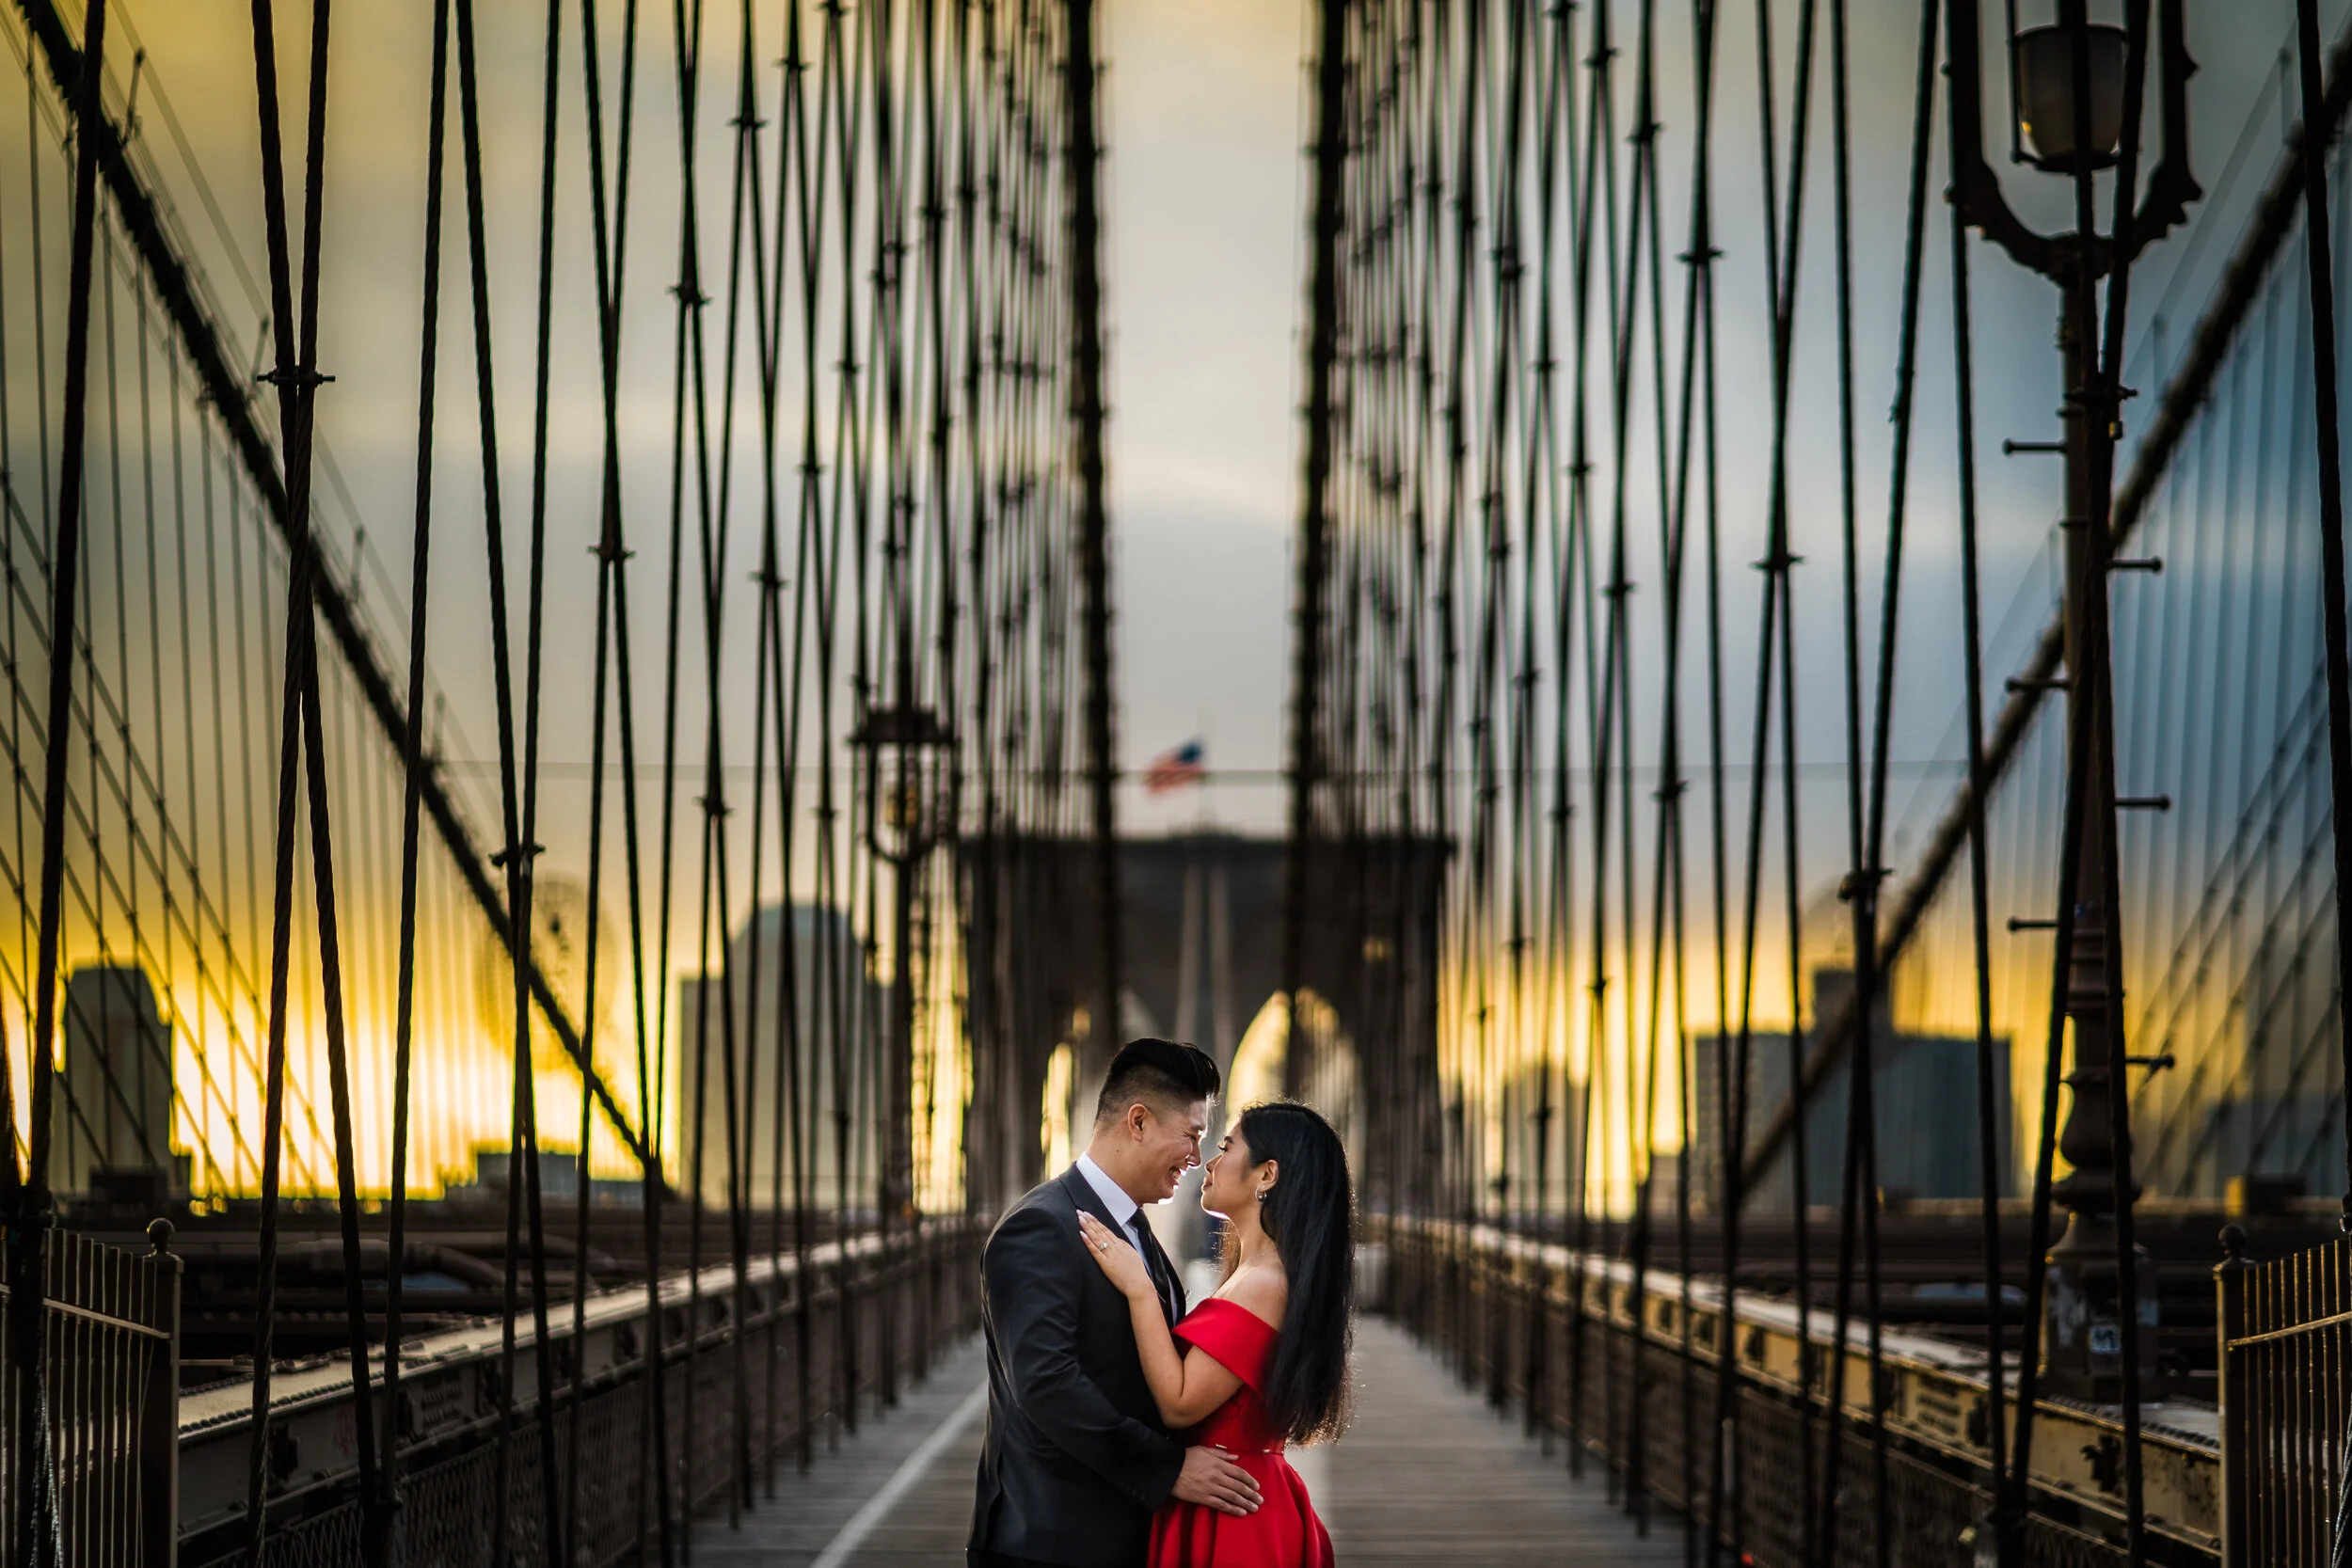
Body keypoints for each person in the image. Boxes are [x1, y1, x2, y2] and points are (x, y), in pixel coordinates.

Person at [969, 1037, 1266, 1568]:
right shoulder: (1040, 1227)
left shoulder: (1133, 1228)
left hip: (1123, 1535)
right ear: (1138, 1121)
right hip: (1051, 1542)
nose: (1196, 1158)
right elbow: (1046, 1383)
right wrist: (1167, 1468)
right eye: (1192, 1136)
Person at [1079, 1100, 1350, 1568]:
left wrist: (1139, 1290)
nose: (1209, 1162)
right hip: (1231, 1492)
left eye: (1226, 1148)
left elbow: (1180, 1403)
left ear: (1267, 1175)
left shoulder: (1265, 1284)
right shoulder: (1259, 1274)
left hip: (1233, 1512)